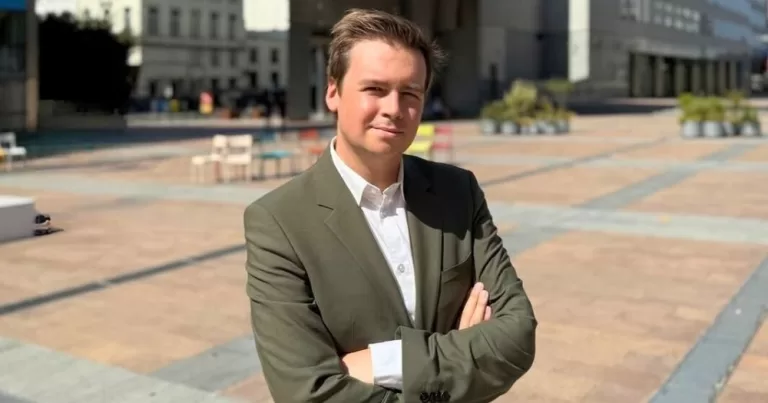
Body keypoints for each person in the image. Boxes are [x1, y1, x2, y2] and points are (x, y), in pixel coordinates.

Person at [243, 9, 537, 403]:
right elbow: (306, 392)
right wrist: (462, 355)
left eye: (410, 93)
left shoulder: (458, 192)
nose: (394, 108)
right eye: (375, 89)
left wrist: (386, 362)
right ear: (333, 92)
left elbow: (517, 336)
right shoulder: (278, 222)